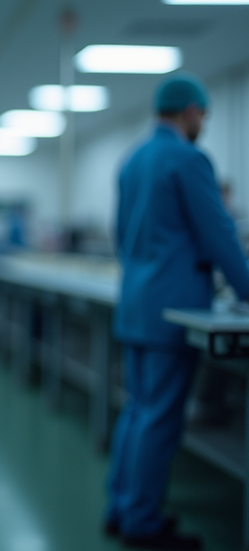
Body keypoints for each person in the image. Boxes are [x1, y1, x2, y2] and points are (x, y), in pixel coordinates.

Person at [105, 74, 249, 550]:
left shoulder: (132, 159)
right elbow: (219, 233)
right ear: (190, 112)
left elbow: (122, 236)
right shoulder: (189, 159)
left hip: (136, 303)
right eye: (203, 116)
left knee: (138, 409)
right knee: (160, 418)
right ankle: (142, 523)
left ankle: (120, 509)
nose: (203, 124)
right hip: (173, 307)